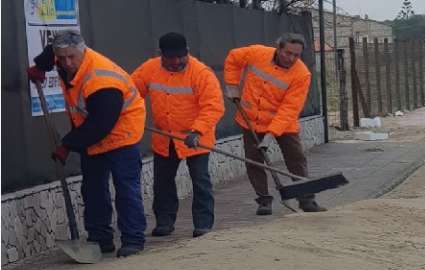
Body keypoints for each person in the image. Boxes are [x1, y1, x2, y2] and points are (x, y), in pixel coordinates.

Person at [27, 30, 147, 257]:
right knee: (92, 189)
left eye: (71, 57)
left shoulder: (103, 80)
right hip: (92, 134)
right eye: (61, 58)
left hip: (121, 133)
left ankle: (133, 240)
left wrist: (67, 144)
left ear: (82, 51)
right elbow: (50, 54)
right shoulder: (63, 56)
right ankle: (100, 239)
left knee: (126, 188)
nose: (66, 62)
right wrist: (40, 67)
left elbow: (100, 125)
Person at [131, 33, 224, 238]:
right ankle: (164, 222)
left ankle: (203, 224)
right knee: (162, 182)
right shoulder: (149, 69)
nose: (176, 62)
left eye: (180, 57)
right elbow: (131, 91)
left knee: (200, 180)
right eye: (170, 58)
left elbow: (213, 106)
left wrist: (197, 130)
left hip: (196, 139)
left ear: (187, 52)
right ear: (160, 55)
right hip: (164, 138)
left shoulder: (201, 73)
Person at [223, 32, 326, 215]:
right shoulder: (257, 53)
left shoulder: (302, 74)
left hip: (283, 124)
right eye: (288, 53)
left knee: (296, 159)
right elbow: (233, 58)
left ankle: (306, 200)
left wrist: (270, 135)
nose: (291, 58)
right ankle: (264, 200)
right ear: (278, 48)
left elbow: (289, 109)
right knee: (254, 162)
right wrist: (232, 86)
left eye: (296, 55)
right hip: (251, 121)